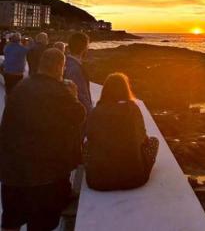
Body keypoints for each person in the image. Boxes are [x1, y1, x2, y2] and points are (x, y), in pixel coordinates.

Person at [0, 48, 86, 231]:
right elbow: (79, 115)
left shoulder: (21, 87)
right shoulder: (59, 92)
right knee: (40, 224)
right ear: (59, 67)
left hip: (12, 172)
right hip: (45, 177)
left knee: (11, 222)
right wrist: (73, 95)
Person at [85, 73, 159, 191]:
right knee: (154, 141)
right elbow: (143, 138)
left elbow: (90, 138)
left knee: (87, 146)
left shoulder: (96, 111)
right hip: (134, 179)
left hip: (98, 180)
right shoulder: (132, 109)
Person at [64, 32, 92, 116]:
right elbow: (82, 96)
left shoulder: (65, 63)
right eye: (88, 46)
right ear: (84, 48)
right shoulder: (75, 69)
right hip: (78, 117)